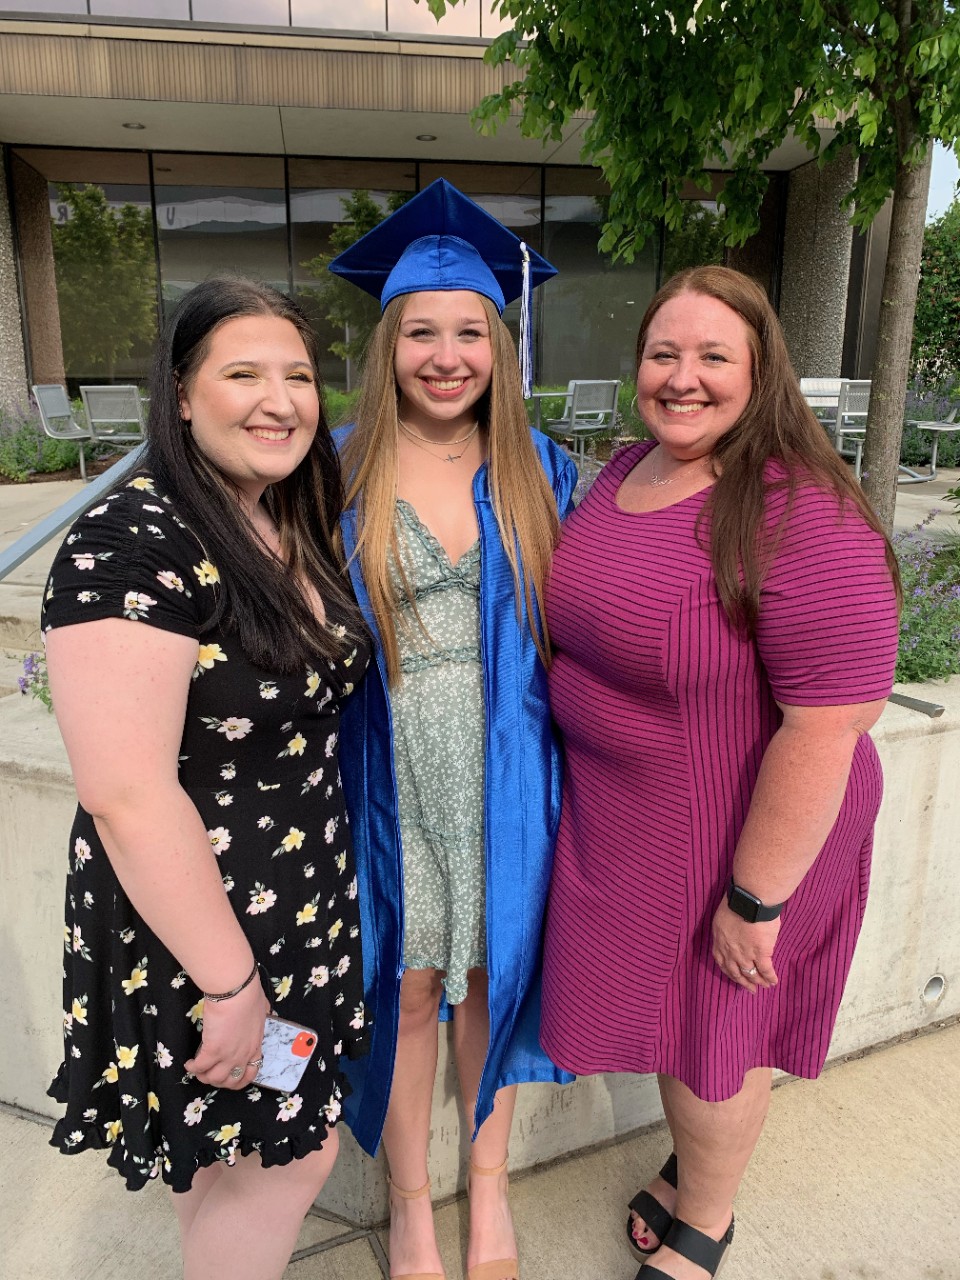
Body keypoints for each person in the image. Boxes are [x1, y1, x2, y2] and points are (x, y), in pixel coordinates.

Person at [539, 266, 901, 1280]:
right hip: (637, 821)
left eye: (713, 357)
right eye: (664, 353)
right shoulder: (624, 472)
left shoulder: (803, 512)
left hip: (745, 828)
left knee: (711, 1029)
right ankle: (699, 1158)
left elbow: (827, 727)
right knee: (673, 1022)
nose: (682, 377)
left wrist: (756, 894)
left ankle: (707, 1217)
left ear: (761, 372)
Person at [42, 278, 370, 1280]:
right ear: (180, 394)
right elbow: (127, 793)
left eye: (300, 375)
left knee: (229, 1159)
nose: (280, 399)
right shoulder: (130, 543)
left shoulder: (284, 520)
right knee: (292, 1150)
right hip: (200, 933)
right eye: (243, 373)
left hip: (289, 906)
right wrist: (230, 985)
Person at [327, 178, 578, 1280]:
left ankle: (488, 1189)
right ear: (387, 345)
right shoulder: (333, 466)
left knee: (491, 973)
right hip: (384, 770)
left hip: (507, 767)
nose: (445, 353)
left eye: (469, 330)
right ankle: (410, 1203)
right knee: (410, 983)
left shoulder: (546, 471)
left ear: (500, 343)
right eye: (420, 331)